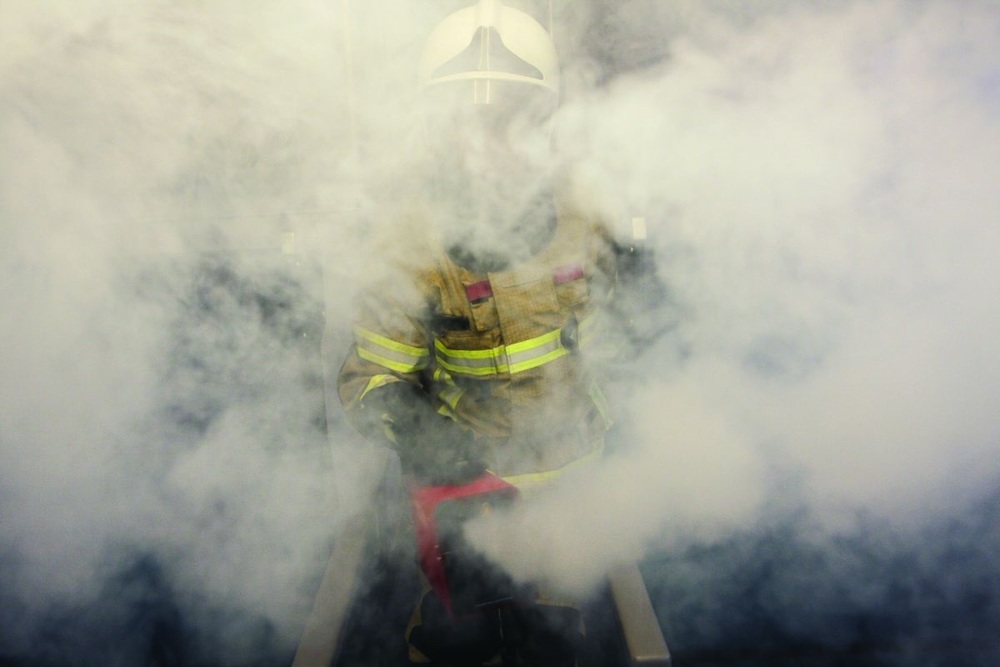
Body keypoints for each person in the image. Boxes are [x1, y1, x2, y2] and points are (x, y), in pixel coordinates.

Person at [337, 1, 664, 663]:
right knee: (455, 640)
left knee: (574, 644)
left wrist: (649, 299)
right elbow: (370, 376)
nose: (487, 139)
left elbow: (635, 331)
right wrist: (431, 438)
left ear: (541, 118)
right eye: (468, 119)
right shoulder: (410, 238)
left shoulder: (589, 207)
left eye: (509, 117)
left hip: (579, 483)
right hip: (467, 491)